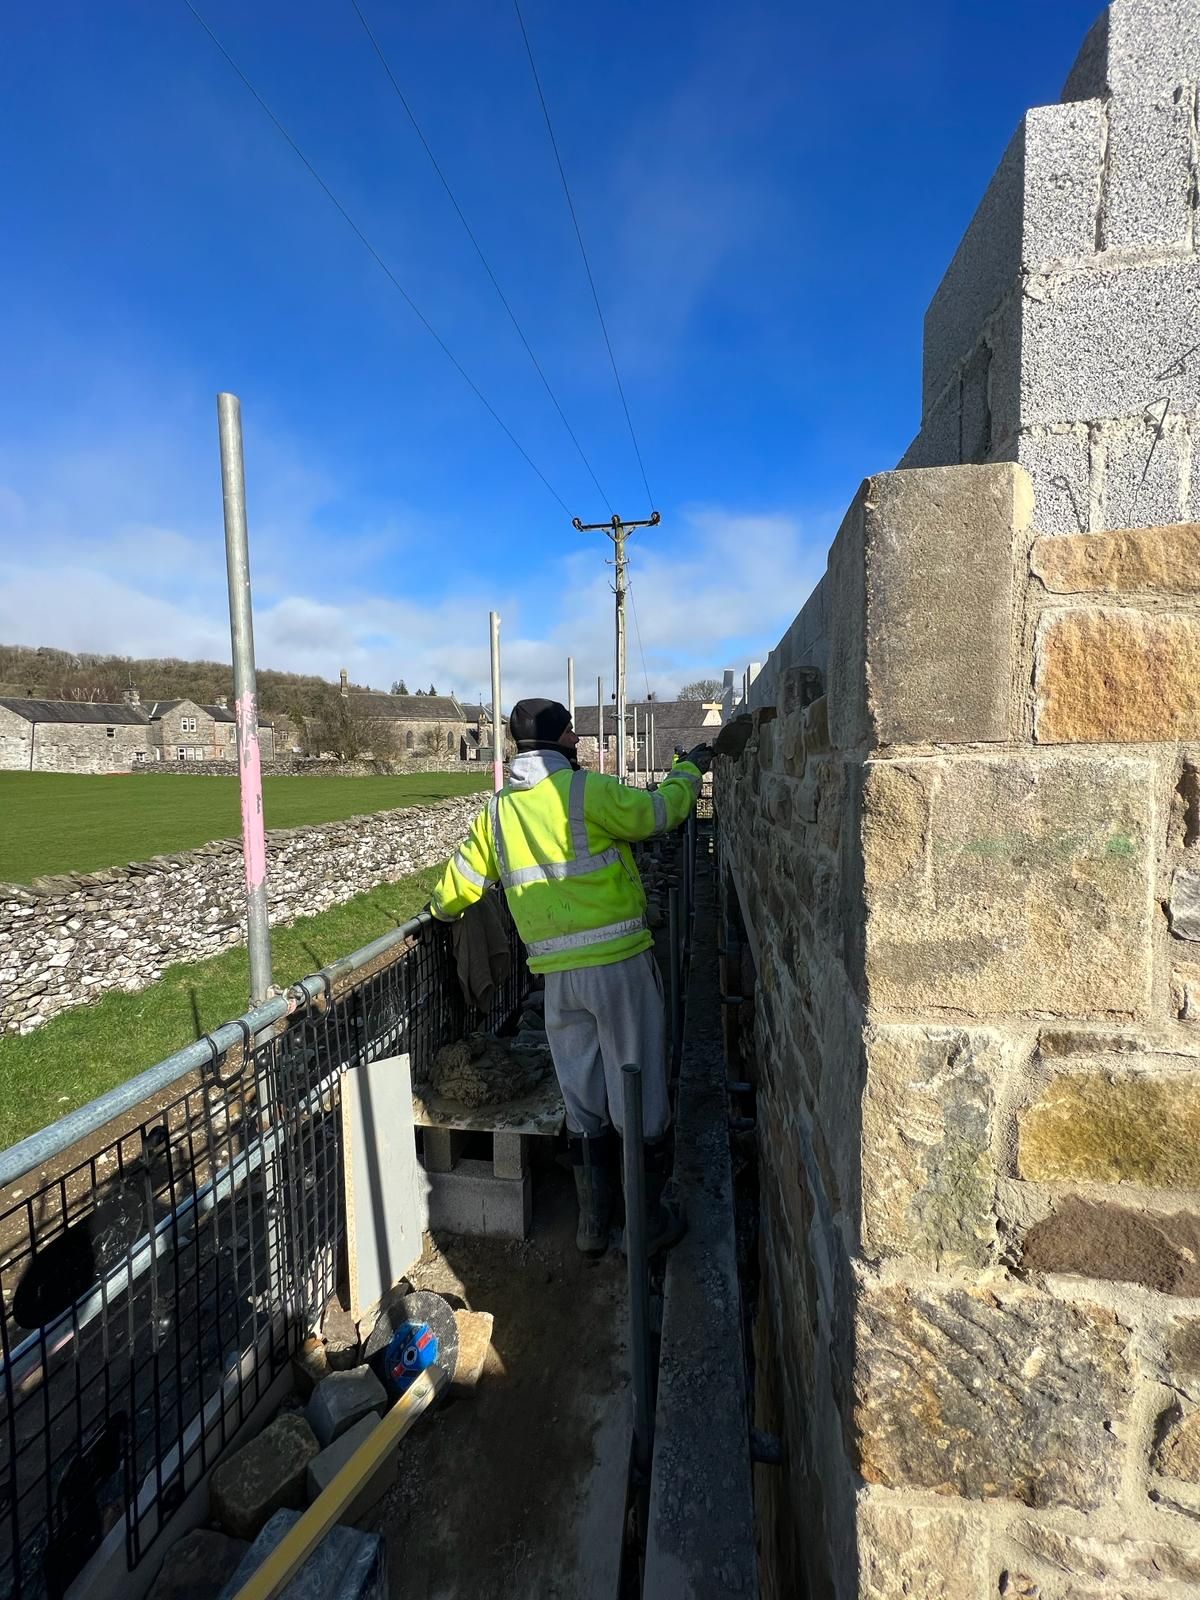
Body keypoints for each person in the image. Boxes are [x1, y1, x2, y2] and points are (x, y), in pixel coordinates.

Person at [428, 697, 712, 1257]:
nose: (579, 741)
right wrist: (689, 769)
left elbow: (458, 885)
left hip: (556, 976)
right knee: (640, 1088)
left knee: (581, 1094)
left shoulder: (496, 812)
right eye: (574, 734)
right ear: (562, 741)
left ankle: (592, 1225)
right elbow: (660, 814)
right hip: (618, 965)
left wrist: (438, 912)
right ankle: (643, 1225)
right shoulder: (586, 791)